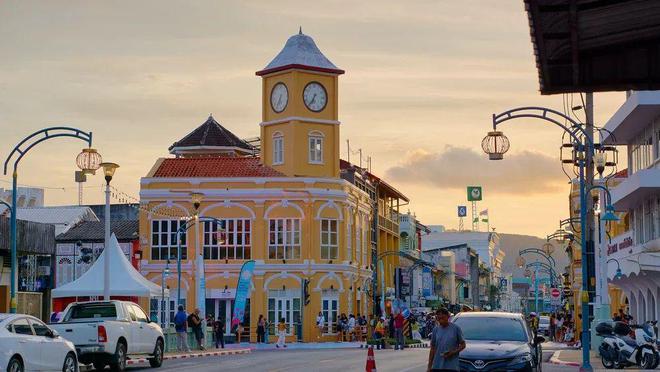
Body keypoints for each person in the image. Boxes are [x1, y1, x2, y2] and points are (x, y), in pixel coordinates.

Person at [427, 308, 466, 372]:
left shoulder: (456, 328)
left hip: (451, 367)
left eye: (443, 317)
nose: (440, 320)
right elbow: (432, 349)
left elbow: (463, 345)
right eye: (439, 318)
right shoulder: (435, 330)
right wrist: (429, 366)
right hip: (437, 366)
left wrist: (452, 352)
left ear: (448, 317)